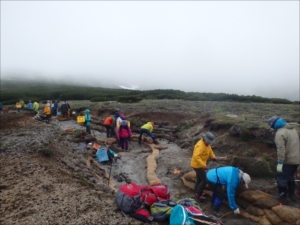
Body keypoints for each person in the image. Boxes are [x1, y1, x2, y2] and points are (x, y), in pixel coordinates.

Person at [268, 116, 300, 204]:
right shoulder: (293, 129)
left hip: (286, 161)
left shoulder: (280, 133)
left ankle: (283, 197)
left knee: (280, 177)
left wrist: (280, 162)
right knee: (290, 177)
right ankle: (292, 195)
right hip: (296, 160)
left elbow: (281, 149)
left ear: (274, 125)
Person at [190, 132, 217, 201]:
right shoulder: (200, 146)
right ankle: (198, 194)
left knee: (199, 179)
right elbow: (196, 156)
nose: (209, 143)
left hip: (200, 164)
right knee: (205, 180)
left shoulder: (207, 145)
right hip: (197, 165)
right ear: (205, 139)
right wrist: (203, 165)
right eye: (209, 141)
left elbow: (210, 151)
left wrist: (213, 157)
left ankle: (196, 192)